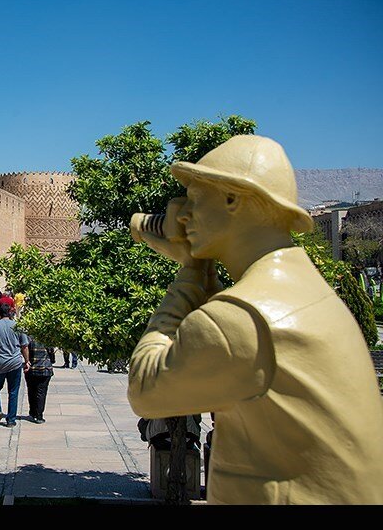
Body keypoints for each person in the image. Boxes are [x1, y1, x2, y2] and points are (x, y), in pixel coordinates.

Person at [127, 135, 383, 504]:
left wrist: (189, 271)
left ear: (232, 199)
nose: (182, 214)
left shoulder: (243, 316)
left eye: (196, 198)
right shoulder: (301, 291)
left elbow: (146, 389)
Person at [0, 301, 29, 429]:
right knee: (13, 391)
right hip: (14, 362)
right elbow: (24, 346)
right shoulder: (17, 326)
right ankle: (11, 420)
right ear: (10, 313)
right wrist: (27, 361)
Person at [24, 336, 54, 424]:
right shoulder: (47, 339)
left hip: (32, 369)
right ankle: (39, 415)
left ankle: (33, 412)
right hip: (45, 369)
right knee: (41, 392)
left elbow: (24, 350)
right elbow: (51, 352)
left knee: (31, 391)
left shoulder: (28, 338)